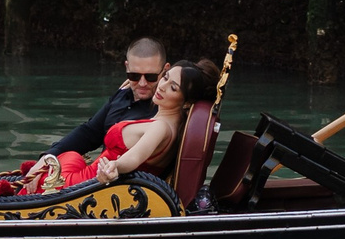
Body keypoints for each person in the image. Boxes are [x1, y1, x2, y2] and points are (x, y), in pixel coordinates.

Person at [31, 60, 217, 190]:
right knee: (67, 158)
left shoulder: (160, 128)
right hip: (88, 181)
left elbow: (133, 158)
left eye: (173, 87)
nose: (162, 86)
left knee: (41, 176)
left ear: (186, 102)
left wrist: (115, 167)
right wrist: (120, 97)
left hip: (84, 185)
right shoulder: (170, 124)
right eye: (165, 77)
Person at [44, 37, 167, 160]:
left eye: (150, 77)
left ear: (165, 70)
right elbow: (90, 132)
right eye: (134, 75)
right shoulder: (121, 95)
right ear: (127, 67)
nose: (142, 83)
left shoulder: (165, 109)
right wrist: (49, 155)